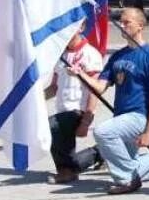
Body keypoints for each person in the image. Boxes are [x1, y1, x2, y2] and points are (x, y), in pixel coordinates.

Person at [70, 8, 149, 195]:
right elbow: (99, 87)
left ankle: (127, 181)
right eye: (120, 21)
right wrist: (80, 74)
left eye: (127, 22)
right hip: (121, 117)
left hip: (138, 117)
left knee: (102, 132)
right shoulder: (117, 56)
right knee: (129, 164)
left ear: (140, 26)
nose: (122, 25)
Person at [44, 29, 104, 184]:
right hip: (62, 109)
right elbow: (54, 88)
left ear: (81, 26)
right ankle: (100, 153)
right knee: (71, 157)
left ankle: (66, 171)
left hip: (78, 110)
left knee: (50, 126)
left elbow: (95, 90)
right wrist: (35, 98)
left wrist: (86, 121)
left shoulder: (90, 54)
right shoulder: (61, 54)